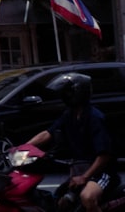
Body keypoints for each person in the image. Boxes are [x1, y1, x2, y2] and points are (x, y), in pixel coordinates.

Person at [27, 72, 117, 212]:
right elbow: (48, 133)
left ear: (78, 93)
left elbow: (104, 156)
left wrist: (85, 177)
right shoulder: (69, 115)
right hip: (79, 170)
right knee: (60, 202)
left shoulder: (95, 117)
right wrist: (25, 147)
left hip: (102, 173)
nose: (65, 95)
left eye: (68, 92)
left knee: (87, 197)